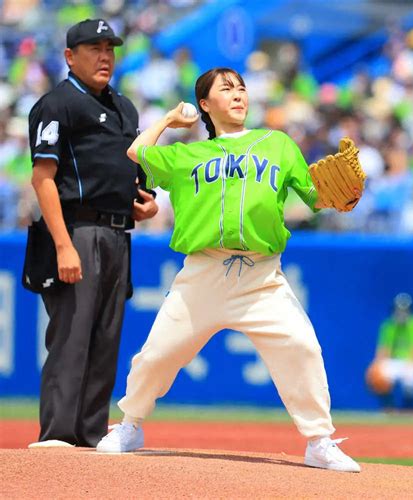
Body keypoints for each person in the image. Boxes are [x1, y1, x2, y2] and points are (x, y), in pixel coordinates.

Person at [96, 67, 361, 473]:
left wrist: (338, 197)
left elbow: (315, 195)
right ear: (205, 104)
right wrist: (169, 119)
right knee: (155, 357)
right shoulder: (188, 155)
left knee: (301, 346)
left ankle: (319, 441)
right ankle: (130, 425)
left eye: (241, 88)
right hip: (203, 273)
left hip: (261, 277)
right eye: (226, 88)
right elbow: (137, 152)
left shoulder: (277, 144)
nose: (238, 94)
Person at [26, 19, 158, 448]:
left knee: (105, 338)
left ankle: (89, 435)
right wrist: (63, 245)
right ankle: (58, 436)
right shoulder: (58, 104)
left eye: (110, 48)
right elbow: (43, 179)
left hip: (119, 233)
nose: (105, 56)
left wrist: (146, 201)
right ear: (70, 56)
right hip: (76, 230)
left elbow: (133, 173)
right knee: (72, 336)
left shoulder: (125, 108)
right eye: (93, 48)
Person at [366, 293, 413, 409]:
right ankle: (388, 408)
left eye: (405, 310)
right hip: (395, 361)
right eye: (398, 310)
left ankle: (408, 409)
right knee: (379, 372)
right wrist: (375, 366)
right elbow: (383, 350)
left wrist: (411, 364)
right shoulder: (389, 325)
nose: (401, 313)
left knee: (412, 376)